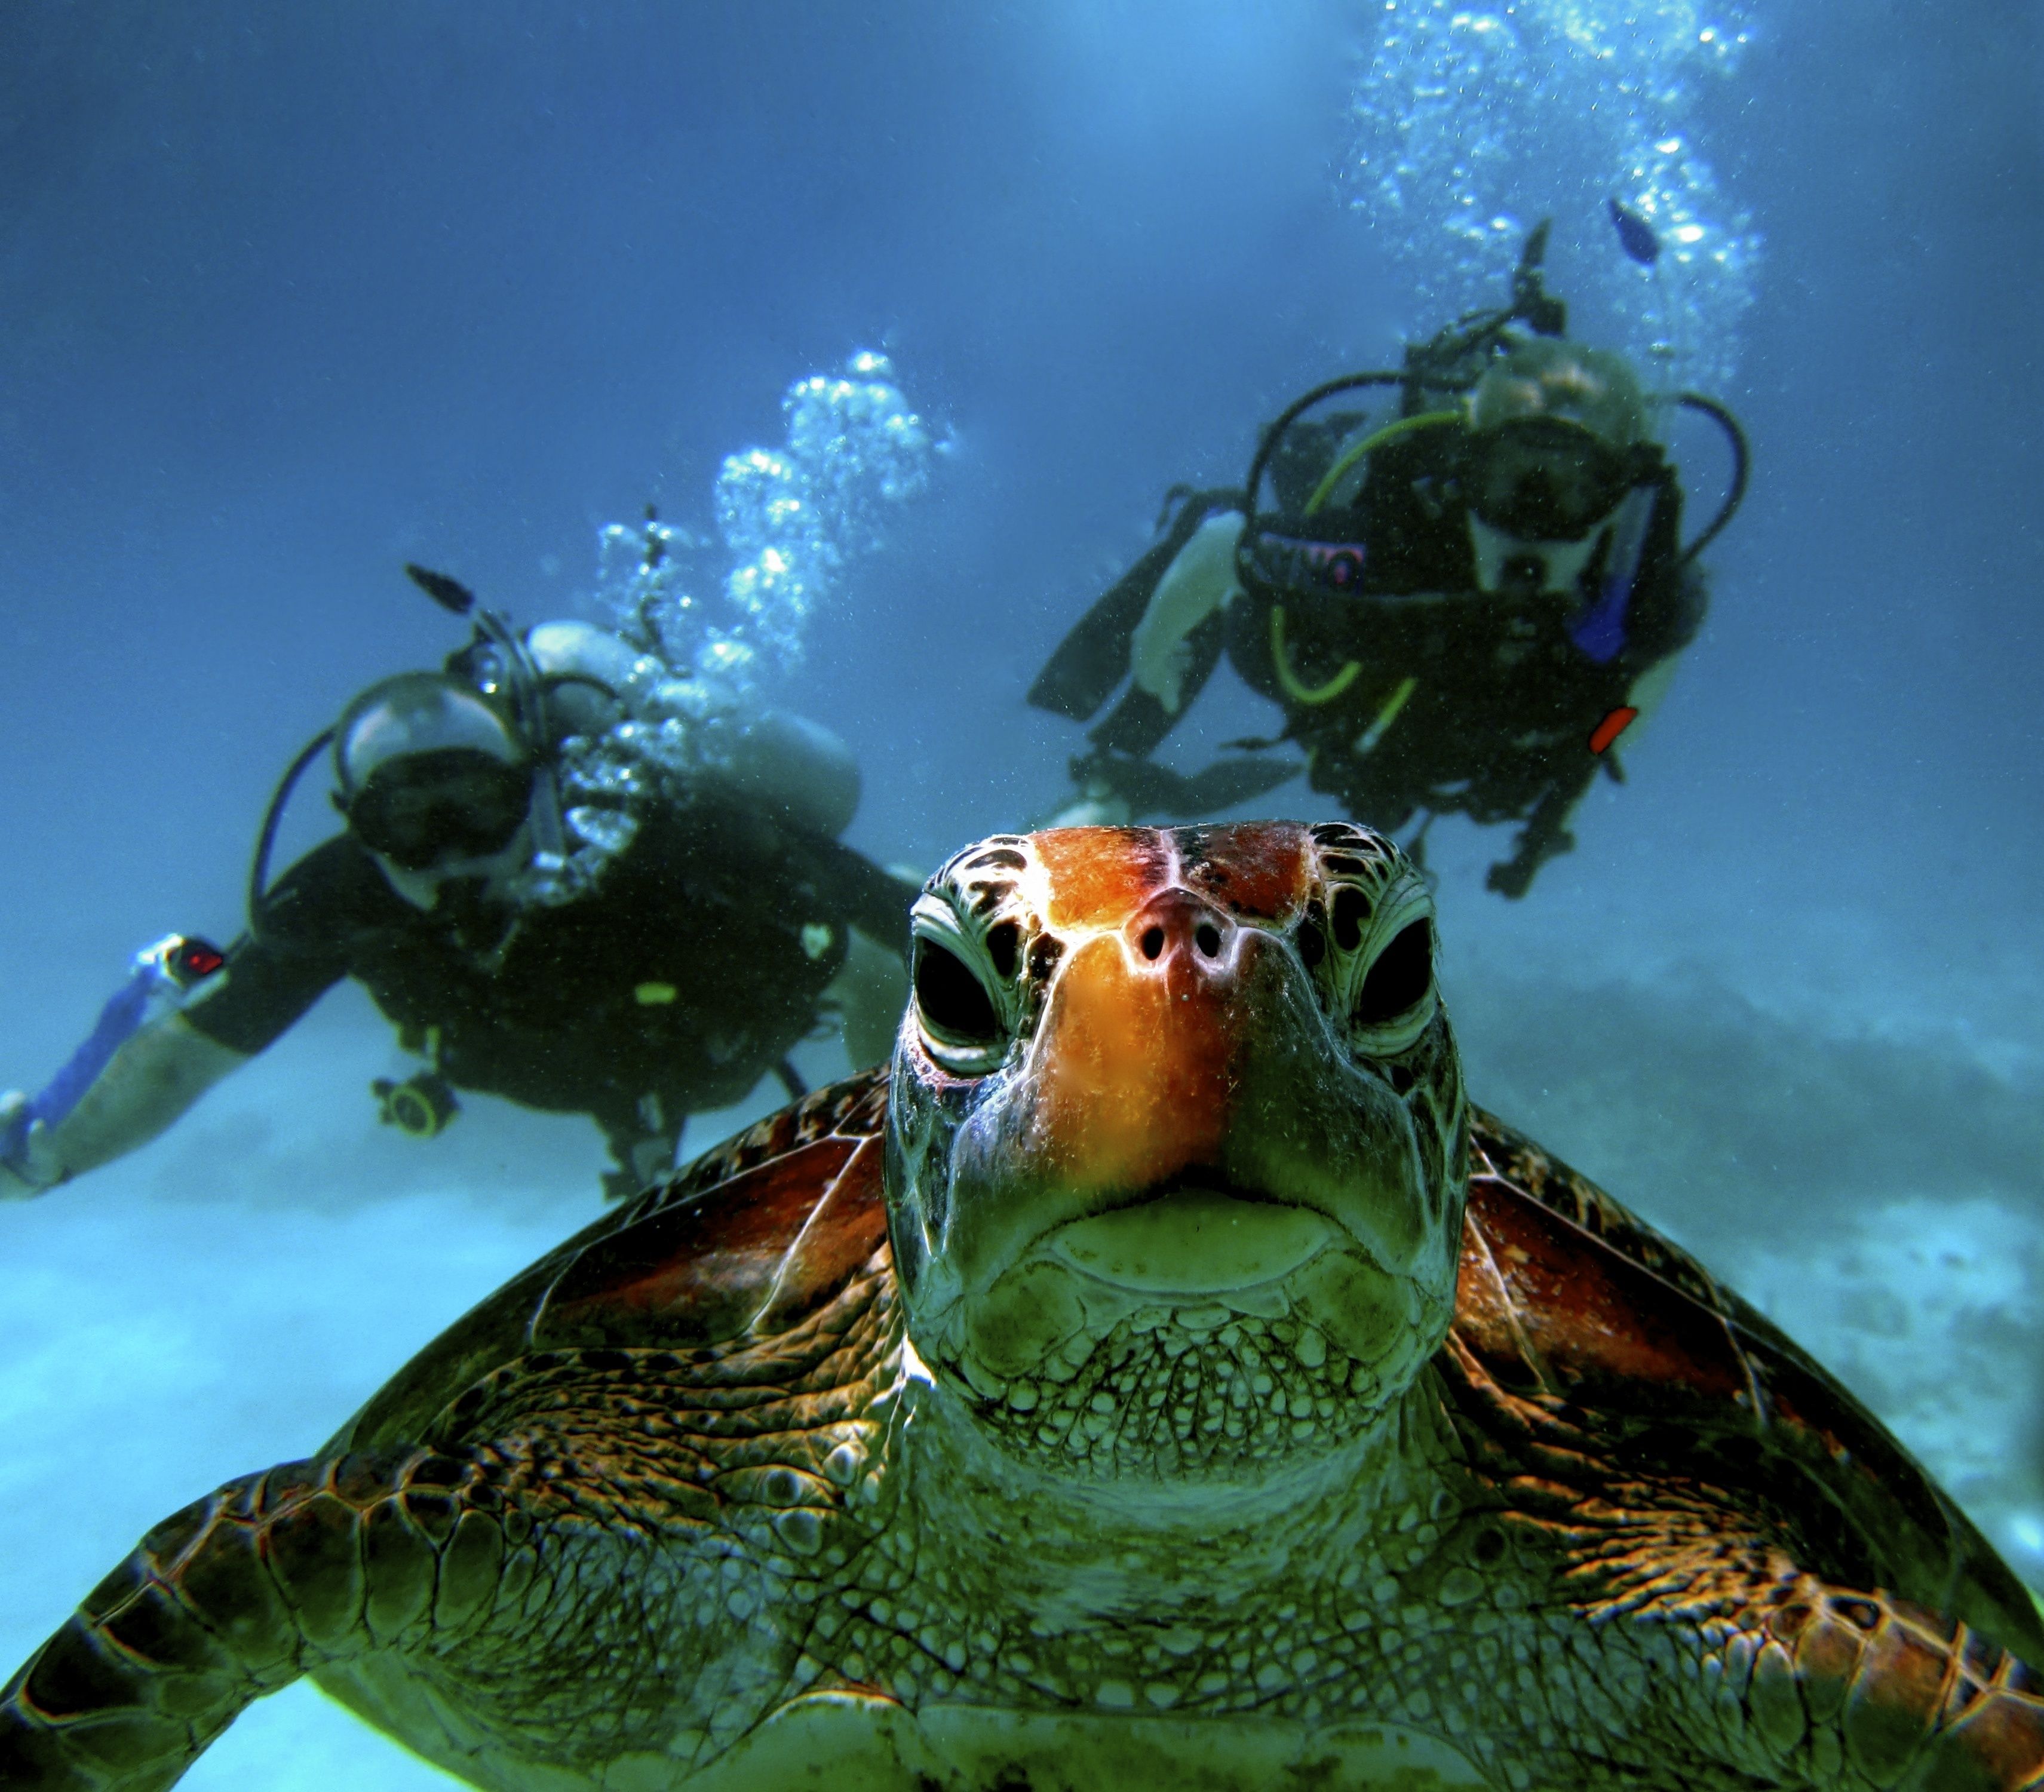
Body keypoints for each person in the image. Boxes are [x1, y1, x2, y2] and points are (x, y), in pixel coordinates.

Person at [0, 570, 917, 1203]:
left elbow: (898, 912)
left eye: (477, 805)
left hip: (744, 1034)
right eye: (407, 822)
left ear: (532, 780)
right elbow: (189, 1048)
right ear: (357, 823)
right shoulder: (347, 898)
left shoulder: (667, 835)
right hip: (595, 1066)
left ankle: (915, 1166)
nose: (449, 850)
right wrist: (53, 1157)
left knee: (883, 953)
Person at [1029, 220, 1748, 895]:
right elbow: (1225, 543)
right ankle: (1105, 785)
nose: (1533, 523)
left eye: (1572, 491)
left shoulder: (1641, 610)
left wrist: (1568, 786)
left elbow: (1618, 723)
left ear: (1617, 506)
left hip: (1415, 752)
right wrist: (1153, 653)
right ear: (1464, 478)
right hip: (1333, 682)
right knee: (1226, 547)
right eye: (1509, 483)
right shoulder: (1379, 554)